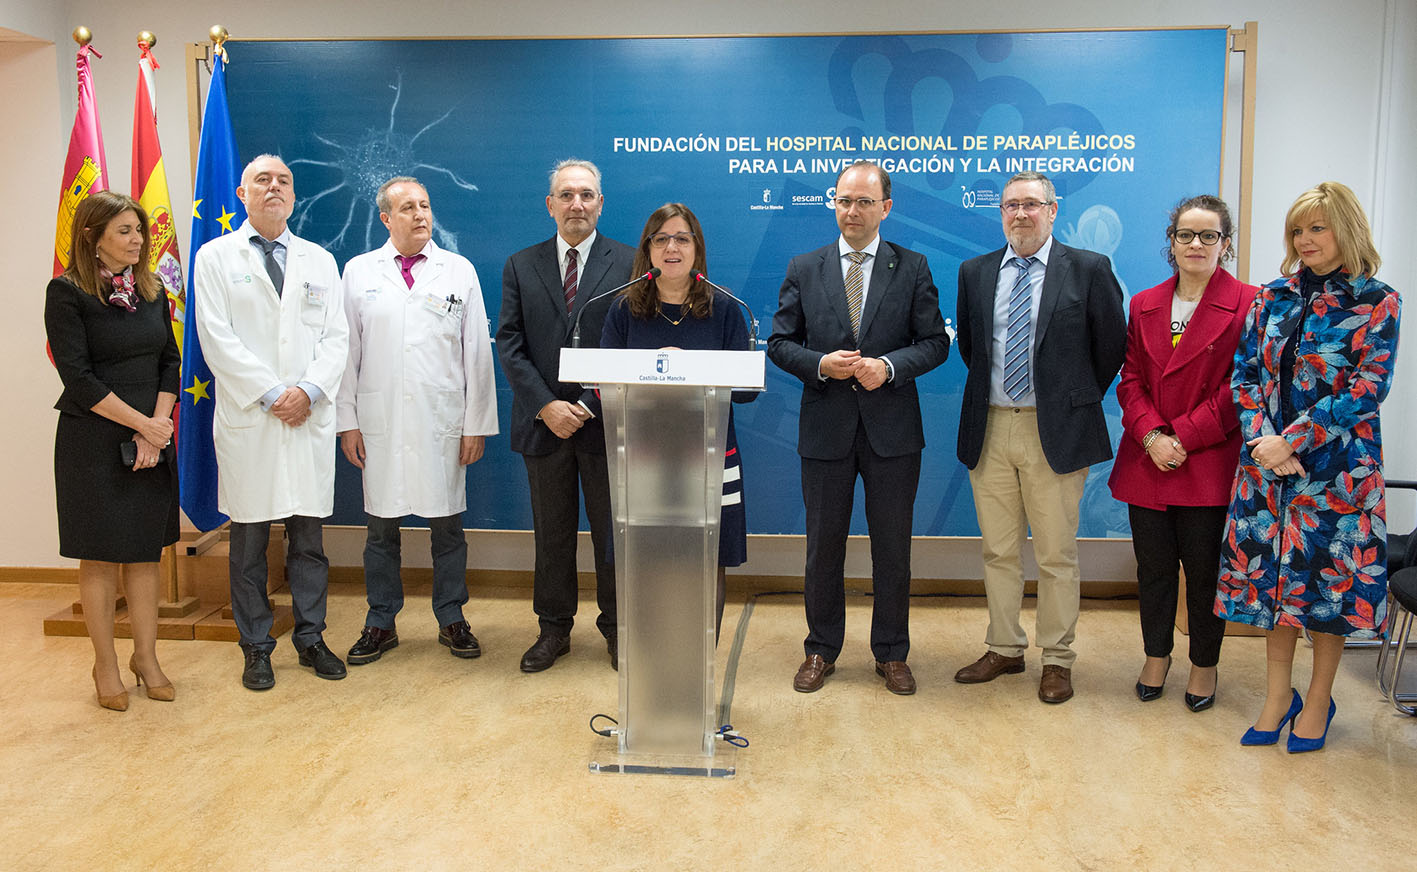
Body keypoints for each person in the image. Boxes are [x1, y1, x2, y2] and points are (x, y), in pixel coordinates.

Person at [1217, 181, 1401, 752]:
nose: (1305, 239)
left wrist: (1294, 439)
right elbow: (1244, 375)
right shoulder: (1271, 296)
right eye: (1298, 230)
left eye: (1317, 228)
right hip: (1266, 471)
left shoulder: (1377, 299)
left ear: (1345, 229)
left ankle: (1317, 698)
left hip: (1338, 474)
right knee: (1273, 588)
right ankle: (1278, 695)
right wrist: (1262, 439)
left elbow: (1369, 387)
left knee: (1324, 591)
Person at [768, 160, 950, 696]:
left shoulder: (912, 266)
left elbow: (936, 343)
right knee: (823, 545)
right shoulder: (806, 266)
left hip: (892, 433)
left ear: (885, 208)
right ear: (834, 204)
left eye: (864, 202)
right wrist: (822, 365)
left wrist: (889, 367)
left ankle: (891, 653)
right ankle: (820, 648)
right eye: (844, 200)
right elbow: (780, 343)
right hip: (825, 430)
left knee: (892, 547)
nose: (852, 210)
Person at [953, 170, 1126, 704]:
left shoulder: (1089, 269)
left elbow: (1110, 349)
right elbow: (973, 352)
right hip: (992, 426)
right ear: (1000, 213)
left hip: (1057, 430)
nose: (1020, 214)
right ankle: (1004, 647)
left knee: (1055, 555)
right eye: (1011, 205)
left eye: (1031, 204)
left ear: (1053, 211)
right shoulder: (975, 272)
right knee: (998, 550)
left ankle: (1057, 658)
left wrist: (1066, 400)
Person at [193, 154, 349, 691]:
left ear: (293, 195)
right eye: (262, 180)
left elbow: (337, 338)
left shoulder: (320, 261)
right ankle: (256, 645)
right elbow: (216, 338)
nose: (274, 187)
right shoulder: (215, 257)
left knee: (308, 540)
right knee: (250, 540)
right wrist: (271, 394)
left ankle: (311, 637)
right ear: (243, 195)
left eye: (283, 180)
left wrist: (306, 391)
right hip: (251, 420)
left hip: (305, 417)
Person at [336, 177, 498, 666]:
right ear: (386, 218)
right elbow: (346, 354)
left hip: (442, 421)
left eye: (425, 205)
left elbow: (476, 355)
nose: (420, 215)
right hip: (380, 419)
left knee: (447, 527)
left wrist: (475, 424)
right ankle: (380, 621)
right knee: (380, 530)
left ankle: (452, 617)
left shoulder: (458, 271)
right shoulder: (359, 271)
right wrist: (348, 420)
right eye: (407, 207)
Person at [1107, 195, 1254, 711]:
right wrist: (1152, 437)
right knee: (1152, 569)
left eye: (1208, 235)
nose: (1196, 244)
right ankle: (1156, 655)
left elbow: (1244, 388)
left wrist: (1183, 438)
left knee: (1205, 570)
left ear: (1225, 243)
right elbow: (1129, 379)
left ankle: (1204, 665)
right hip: (1148, 458)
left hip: (1206, 460)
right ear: (1171, 243)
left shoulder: (1250, 303)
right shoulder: (1144, 302)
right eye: (1186, 235)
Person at [497, 159, 636, 672]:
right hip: (543, 424)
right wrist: (546, 405)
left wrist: (587, 404)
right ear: (550, 204)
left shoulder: (629, 262)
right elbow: (509, 343)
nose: (577, 203)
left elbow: (634, 343)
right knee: (551, 534)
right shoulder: (520, 264)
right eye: (567, 194)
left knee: (612, 534)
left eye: (587, 194)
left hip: (606, 424)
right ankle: (553, 630)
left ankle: (619, 629)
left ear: (601, 203)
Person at [45, 191, 180, 710]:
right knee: (100, 558)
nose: (138, 240)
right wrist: (142, 424)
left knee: (145, 555)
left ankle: (145, 657)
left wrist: (157, 427)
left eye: (139, 231)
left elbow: (170, 360)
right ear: (91, 236)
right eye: (124, 231)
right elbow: (77, 376)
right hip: (94, 440)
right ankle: (104, 663)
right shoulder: (67, 293)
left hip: (151, 437)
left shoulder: (151, 291)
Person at [601, 203, 754, 640]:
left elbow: (742, 392)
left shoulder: (724, 309)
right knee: (649, 561)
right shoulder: (622, 311)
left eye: (682, 238)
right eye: (661, 238)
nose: (672, 247)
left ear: (697, 249)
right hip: (645, 459)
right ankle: (652, 668)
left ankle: (699, 671)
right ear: (647, 250)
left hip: (707, 457)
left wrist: (693, 370)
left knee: (707, 563)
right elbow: (603, 388)